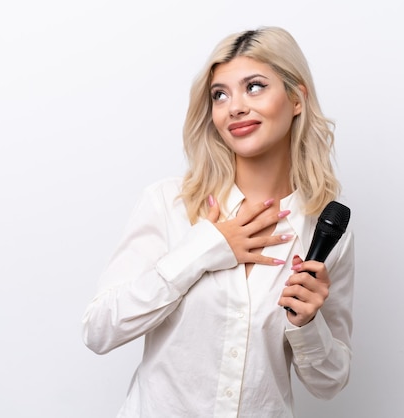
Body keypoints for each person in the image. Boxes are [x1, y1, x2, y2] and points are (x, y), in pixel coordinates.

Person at [82, 26, 355, 418]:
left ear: (296, 98)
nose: (235, 107)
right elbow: (99, 329)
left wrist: (308, 323)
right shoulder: (170, 204)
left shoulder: (324, 230)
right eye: (220, 94)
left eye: (255, 87)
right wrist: (204, 248)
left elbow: (330, 383)